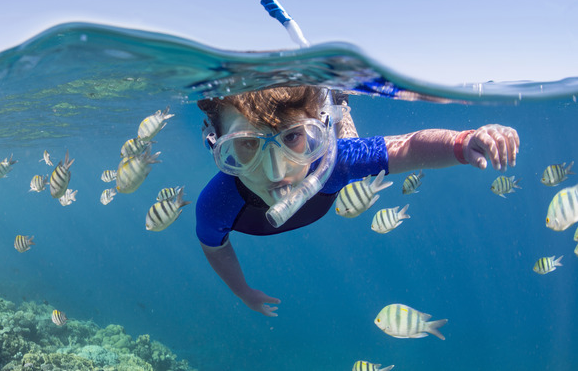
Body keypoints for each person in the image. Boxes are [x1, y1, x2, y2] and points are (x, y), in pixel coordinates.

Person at [195, 86, 519, 317]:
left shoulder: (334, 162)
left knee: (350, 143)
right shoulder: (216, 204)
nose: (275, 170)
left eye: (293, 136)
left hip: (334, 151)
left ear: (314, 131)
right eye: (247, 143)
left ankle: (339, 105)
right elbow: (215, 248)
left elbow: (408, 147)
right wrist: (242, 290)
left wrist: (464, 141)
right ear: (216, 146)